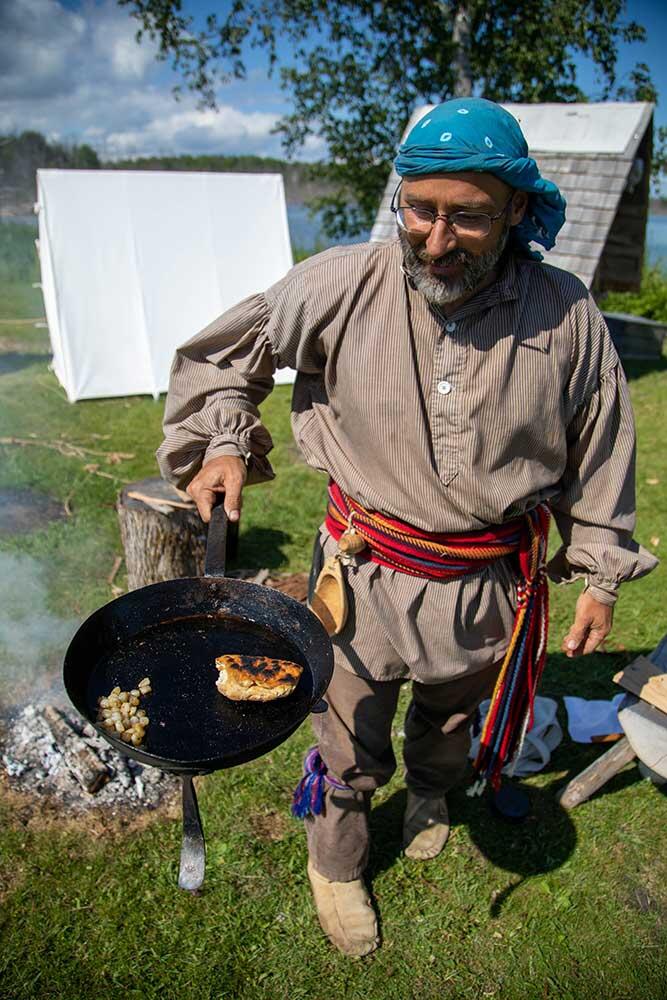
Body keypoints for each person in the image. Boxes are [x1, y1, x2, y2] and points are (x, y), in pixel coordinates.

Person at [157, 98, 657, 957]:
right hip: (358, 575)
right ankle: (338, 862)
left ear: (513, 212)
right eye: (420, 209)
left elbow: (603, 445)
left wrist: (601, 576)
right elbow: (225, 355)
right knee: (346, 730)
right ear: (401, 199)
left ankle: (431, 791)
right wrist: (222, 440)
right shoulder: (340, 282)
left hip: (483, 582)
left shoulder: (564, 312)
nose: (435, 239)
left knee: (451, 716)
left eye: (467, 216)